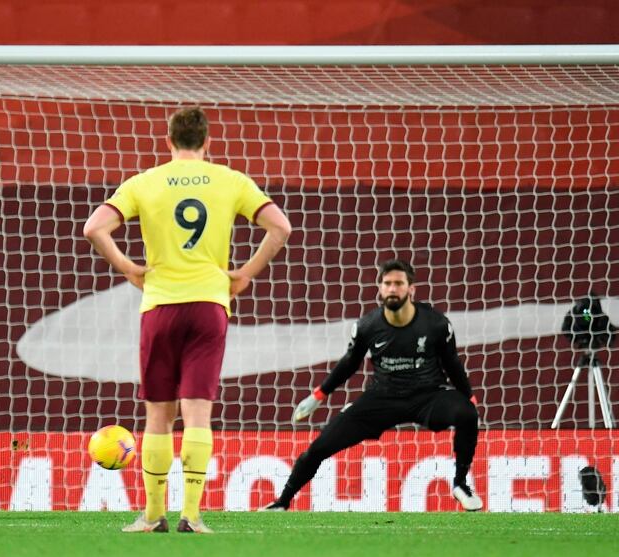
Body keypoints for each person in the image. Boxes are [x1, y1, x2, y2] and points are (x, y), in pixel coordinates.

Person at [84, 106, 293, 533]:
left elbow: (94, 228)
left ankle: (153, 515)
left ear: (168, 141)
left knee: (159, 416)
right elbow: (281, 227)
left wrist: (128, 268)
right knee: (198, 413)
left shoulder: (146, 182)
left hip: (159, 306)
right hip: (210, 306)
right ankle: (192, 515)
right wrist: (245, 274)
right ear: (207, 142)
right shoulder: (230, 180)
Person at [260, 259, 483, 512]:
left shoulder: (436, 324)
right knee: (321, 446)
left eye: (398, 283)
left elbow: (452, 362)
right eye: (387, 284)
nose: (392, 289)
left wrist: (469, 398)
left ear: (411, 289)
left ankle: (460, 484)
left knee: (466, 414)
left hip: (428, 396)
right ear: (379, 288)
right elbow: (349, 364)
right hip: (382, 399)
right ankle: (282, 501)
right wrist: (319, 394)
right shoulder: (368, 326)